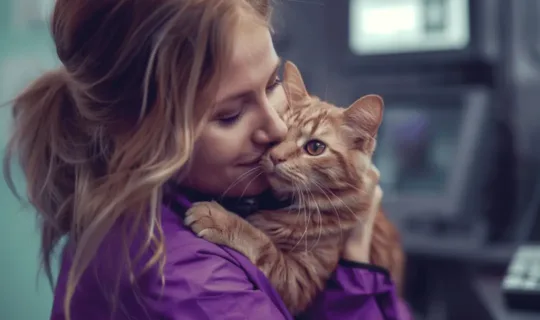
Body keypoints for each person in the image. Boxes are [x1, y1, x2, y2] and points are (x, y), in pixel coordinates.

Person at [4, 0, 412, 319]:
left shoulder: (176, 196)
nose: (275, 132)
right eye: (230, 114)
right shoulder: (196, 286)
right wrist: (357, 263)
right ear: (145, 132)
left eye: (272, 84)